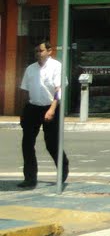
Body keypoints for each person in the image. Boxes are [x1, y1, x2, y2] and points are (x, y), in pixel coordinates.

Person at [19, 40, 69, 188]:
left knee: (51, 143)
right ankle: (30, 178)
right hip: (33, 107)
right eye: (36, 51)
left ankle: (63, 167)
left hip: (50, 106)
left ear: (49, 51)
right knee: (27, 143)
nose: (38, 54)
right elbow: (25, 90)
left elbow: (59, 90)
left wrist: (52, 109)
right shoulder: (30, 69)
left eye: (40, 51)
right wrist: (24, 112)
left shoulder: (56, 66)